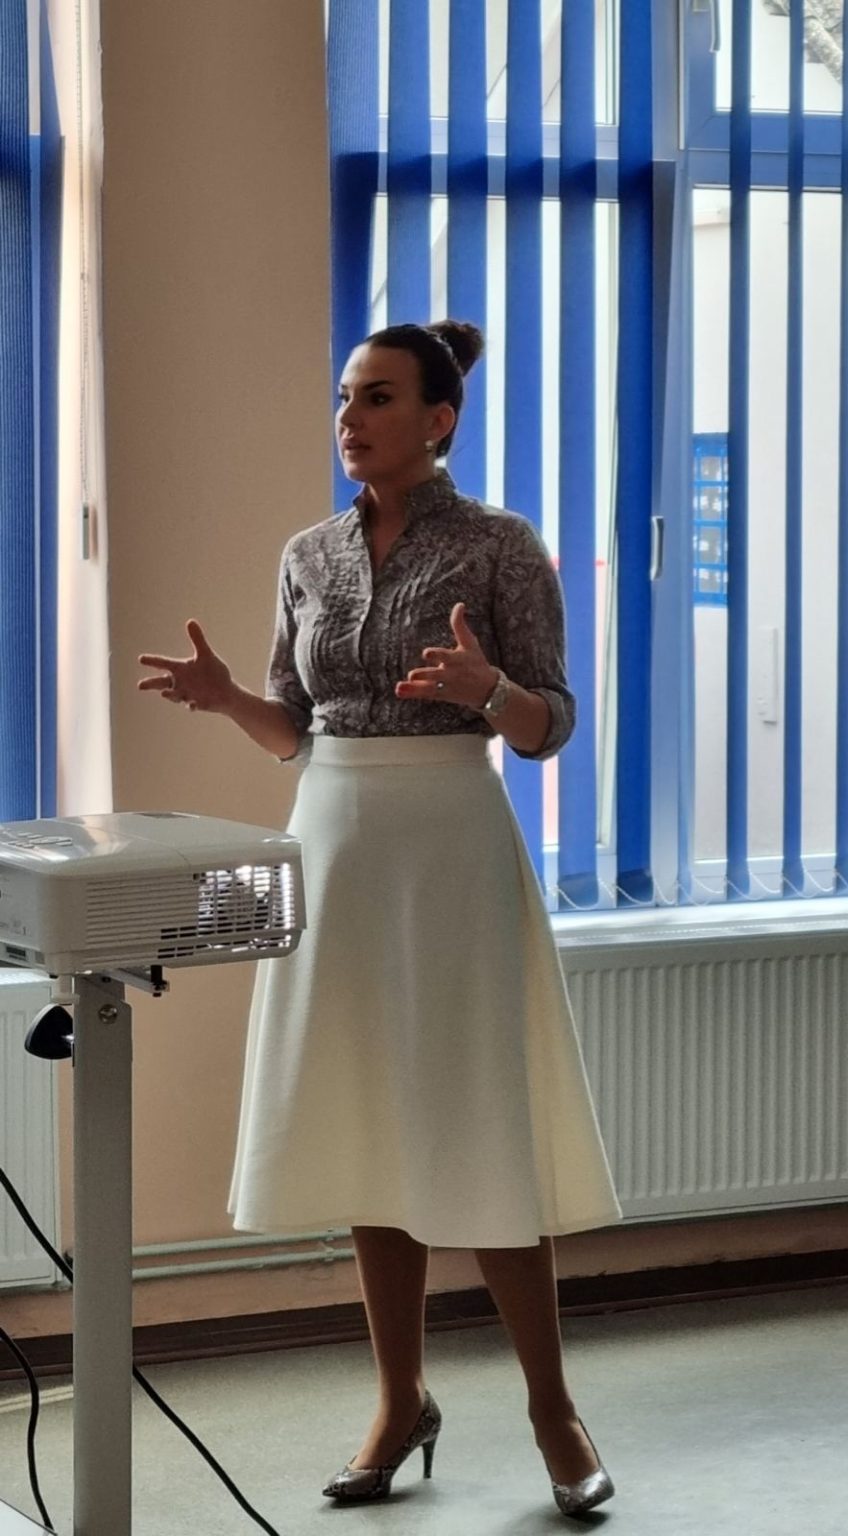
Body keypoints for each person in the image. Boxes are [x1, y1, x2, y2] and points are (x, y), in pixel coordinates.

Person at [138, 319, 623, 1519]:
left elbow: (551, 723)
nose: (349, 418)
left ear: (438, 419)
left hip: (449, 846)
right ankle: (398, 1402)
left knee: (479, 1123)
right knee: (367, 1125)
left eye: (378, 398)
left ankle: (552, 1411)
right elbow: (295, 728)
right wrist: (226, 699)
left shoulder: (502, 545)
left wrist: (489, 689)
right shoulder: (307, 554)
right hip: (335, 843)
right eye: (345, 397)